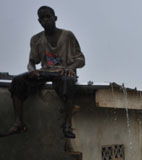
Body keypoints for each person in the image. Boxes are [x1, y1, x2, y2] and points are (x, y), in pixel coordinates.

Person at [4, 6, 85, 138]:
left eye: (48, 16)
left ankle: (67, 124)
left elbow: (81, 59)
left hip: (63, 72)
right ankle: (18, 123)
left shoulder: (67, 36)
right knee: (17, 81)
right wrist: (32, 70)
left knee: (68, 83)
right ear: (39, 21)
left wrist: (70, 68)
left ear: (55, 18)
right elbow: (31, 62)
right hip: (45, 71)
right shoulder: (36, 39)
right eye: (42, 18)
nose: (46, 20)